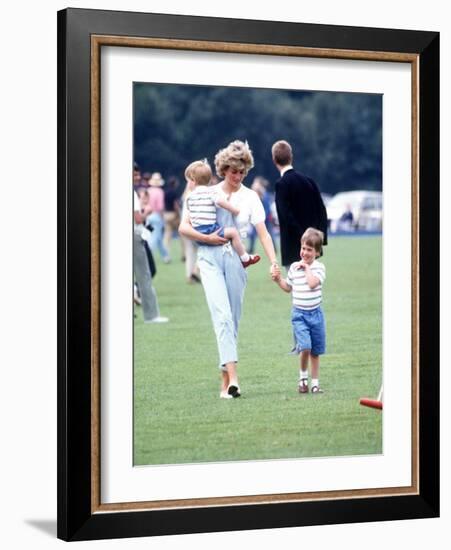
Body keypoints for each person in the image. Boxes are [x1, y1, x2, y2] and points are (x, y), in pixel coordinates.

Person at [179, 140, 279, 399]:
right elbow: (184, 227)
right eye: (234, 171)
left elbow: (264, 234)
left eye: (243, 172)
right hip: (209, 259)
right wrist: (210, 239)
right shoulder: (206, 192)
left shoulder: (251, 197)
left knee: (232, 320)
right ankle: (234, 379)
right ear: (223, 169)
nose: (238, 176)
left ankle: (225, 381)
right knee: (222, 316)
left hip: (236, 260)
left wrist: (273, 261)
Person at [271, 140, 328, 354]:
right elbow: (322, 211)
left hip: (296, 248)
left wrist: (301, 242)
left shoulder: (281, 185)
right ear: (291, 156)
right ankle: (311, 341)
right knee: (312, 294)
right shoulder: (309, 181)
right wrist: (318, 242)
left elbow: (285, 218)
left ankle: (300, 345)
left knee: (297, 294)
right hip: (313, 249)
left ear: (274, 160)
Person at [272, 228, 326, 394]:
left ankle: (315, 384)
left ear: (317, 252)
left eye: (309, 250)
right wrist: (278, 279)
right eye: (303, 248)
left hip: (316, 315)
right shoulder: (294, 267)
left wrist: (307, 268)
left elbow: (312, 283)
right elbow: (288, 288)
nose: (305, 252)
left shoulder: (319, 268)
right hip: (299, 315)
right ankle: (303, 378)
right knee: (305, 347)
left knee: (315, 352)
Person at [184, 159, 260, 268]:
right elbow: (220, 201)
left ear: (194, 180)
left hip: (197, 233)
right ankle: (245, 258)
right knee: (233, 233)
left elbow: (189, 213)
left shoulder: (189, 197)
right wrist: (234, 210)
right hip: (210, 229)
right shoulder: (211, 192)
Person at [134, 187, 169, 324]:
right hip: (138, 239)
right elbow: (139, 221)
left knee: (149, 271)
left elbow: (148, 228)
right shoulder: (138, 205)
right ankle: (150, 314)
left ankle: (135, 290)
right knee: (147, 273)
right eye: (143, 197)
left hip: (142, 239)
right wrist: (145, 213)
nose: (146, 199)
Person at [143, 172, 171, 263]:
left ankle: (166, 256)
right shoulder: (160, 192)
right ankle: (148, 256)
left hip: (147, 215)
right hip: (156, 216)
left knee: (157, 238)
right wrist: (162, 217)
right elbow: (160, 207)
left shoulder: (148, 190)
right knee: (154, 238)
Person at [163, 176, 182, 257]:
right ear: (174, 183)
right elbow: (176, 205)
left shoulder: (165, 192)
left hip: (166, 214)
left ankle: (166, 255)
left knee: (167, 236)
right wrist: (179, 215)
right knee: (182, 235)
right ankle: (184, 254)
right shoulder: (174, 192)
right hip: (174, 215)